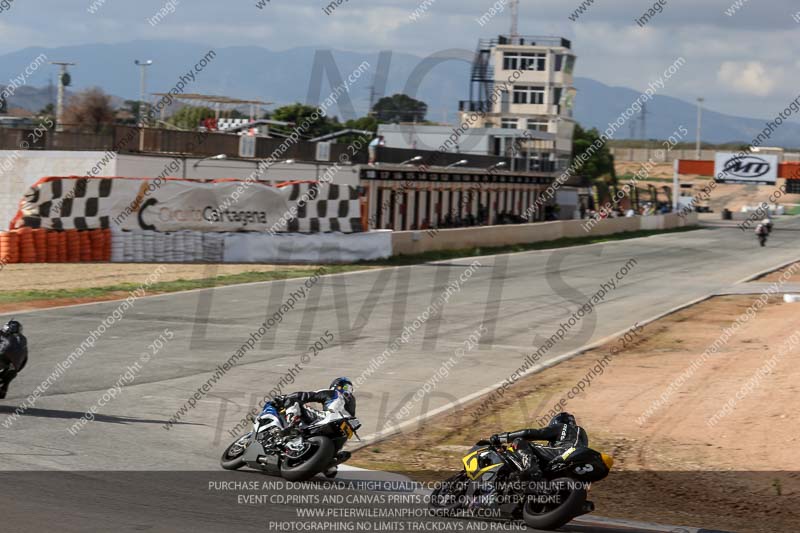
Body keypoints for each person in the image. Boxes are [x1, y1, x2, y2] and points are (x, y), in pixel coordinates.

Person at [488, 412, 588, 483]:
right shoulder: (582, 436)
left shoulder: (563, 427)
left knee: (519, 441)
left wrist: (500, 438)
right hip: (572, 466)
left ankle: (531, 469)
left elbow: (531, 433)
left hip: (563, 453)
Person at [0, 319, 27, 400]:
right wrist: (16, 369)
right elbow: (25, 358)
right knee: (9, 378)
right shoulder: (23, 339)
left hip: (2, 358)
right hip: (13, 368)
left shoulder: (3, 334)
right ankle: (3, 390)